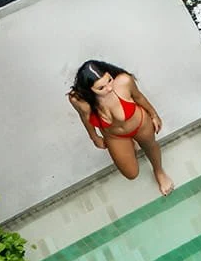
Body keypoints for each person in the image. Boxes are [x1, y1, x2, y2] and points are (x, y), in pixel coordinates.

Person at [67, 60, 174, 196]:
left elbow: (139, 97)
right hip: (114, 135)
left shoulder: (123, 82)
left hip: (140, 124)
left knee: (150, 146)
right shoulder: (79, 100)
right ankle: (130, 144)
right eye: (101, 88)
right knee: (131, 173)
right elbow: (85, 117)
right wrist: (94, 137)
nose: (109, 88)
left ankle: (159, 171)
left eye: (109, 80)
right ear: (88, 91)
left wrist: (154, 115)